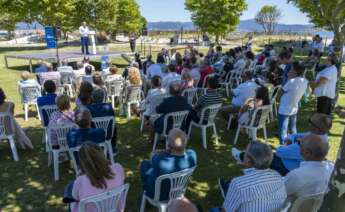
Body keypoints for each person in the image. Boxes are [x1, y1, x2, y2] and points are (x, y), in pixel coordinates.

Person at [215, 141, 287, 212]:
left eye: (245, 152)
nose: (243, 154)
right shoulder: (278, 176)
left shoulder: (238, 184)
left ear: (248, 161)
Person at [63, 143, 125, 212]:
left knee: (70, 189)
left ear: (82, 162)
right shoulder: (118, 168)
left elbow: (75, 197)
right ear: (101, 154)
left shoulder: (80, 181)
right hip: (114, 208)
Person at [140, 129, 197, 201]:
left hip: (157, 195)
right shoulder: (192, 156)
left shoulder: (161, 161)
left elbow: (152, 156)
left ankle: (145, 195)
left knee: (145, 164)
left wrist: (162, 151)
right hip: (178, 192)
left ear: (169, 145)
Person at [284, 134, 334, 202]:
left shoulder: (297, 175)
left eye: (300, 144)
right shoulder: (332, 168)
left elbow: (279, 193)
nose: (298, 146)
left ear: (307, 152)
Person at [277, 61, 308, 143]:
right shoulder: (305, 81)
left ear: (295, 70)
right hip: (294, 107)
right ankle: (294, 144)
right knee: (293, 130)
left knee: (283, 132)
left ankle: (284, 147)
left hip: (284, 109)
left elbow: (280, 92)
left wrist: (288, 78)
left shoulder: (292, 82)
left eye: (291, 68)